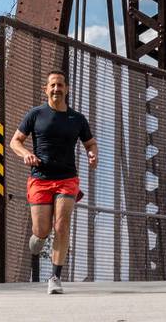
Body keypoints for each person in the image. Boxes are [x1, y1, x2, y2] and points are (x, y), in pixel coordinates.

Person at [10, 70, 98, 294]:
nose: (56, 89)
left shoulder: (77, 119)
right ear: (46, 89)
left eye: (60, 85)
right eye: (53, 85)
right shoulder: (36, 114)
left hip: (67, 178)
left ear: (66, 89)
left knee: (62, 225)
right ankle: (39, 237)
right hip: (40, 178)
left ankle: (55, 278)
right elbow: (15, 141)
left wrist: (92, 154)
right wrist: (26, 154)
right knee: (42, 229)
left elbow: (90, 143)